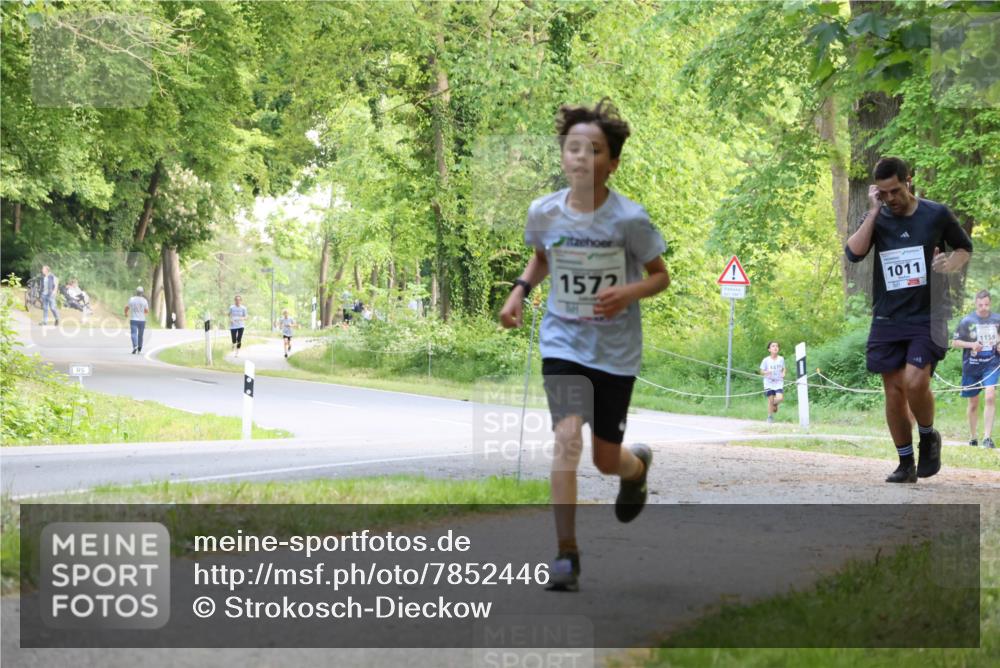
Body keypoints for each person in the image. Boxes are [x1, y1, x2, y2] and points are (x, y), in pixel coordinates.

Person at [499, 99, 670, 591]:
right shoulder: (544, 212)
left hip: (616, 352)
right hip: (563, 342)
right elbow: (540, 259)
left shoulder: (630, 220)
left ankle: (635, 469)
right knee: (567, 440)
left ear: (611, 162)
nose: (579, 158)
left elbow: (660, 277)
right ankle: (566, 555)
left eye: (592, 150)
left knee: (604, 458)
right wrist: (519, 293)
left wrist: (628, 291)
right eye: (572, 148)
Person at [845, 156, 972, 483]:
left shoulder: (936, 214)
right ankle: (905, 463)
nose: (891, 199)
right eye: (884, 193)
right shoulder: (878, 216)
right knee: (894, 391)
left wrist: (949, 263)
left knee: (916, 381)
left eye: (896, 191)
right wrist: (873, 212)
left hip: (927, 314)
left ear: (909, 180)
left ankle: (928, 436)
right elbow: (854, 252)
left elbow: (963, 248)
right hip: (888, 317)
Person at [951, 289, 1000, 449]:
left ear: (990, 303)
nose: (984, 308)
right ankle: (973, 437)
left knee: (990, 395)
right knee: (973, 403)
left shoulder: (997, 320)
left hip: (991, 364)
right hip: (971, 366)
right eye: (981, 305)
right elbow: (955, 343)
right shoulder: (967, 321)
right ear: (975, 304)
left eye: (986, 304)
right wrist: (971, 344)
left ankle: (987, 437)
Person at [760, 341, 786, 423]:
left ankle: (775, 404)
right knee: (770, 400)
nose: (775, 347)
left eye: (777, 346)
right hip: (768, 382)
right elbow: (761, 371)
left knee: (780, 398)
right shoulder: (766, 360)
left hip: (778, 382)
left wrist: (783, 373)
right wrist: (766, 372)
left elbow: (784, 368)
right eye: (773, 346)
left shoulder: (781, 359)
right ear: (769, 349)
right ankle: (770, 417)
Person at [125, 286, 149, 354]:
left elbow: (127, 307)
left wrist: (126, 313)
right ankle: (140, 348)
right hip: (142, 320)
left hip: (133, 320)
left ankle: (135, 346)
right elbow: (147, 311)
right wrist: (142, 312)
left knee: (133, 333)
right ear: (142, 293)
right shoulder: (144, 300)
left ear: (136, 292)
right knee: (140, 335)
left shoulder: (132, 299)